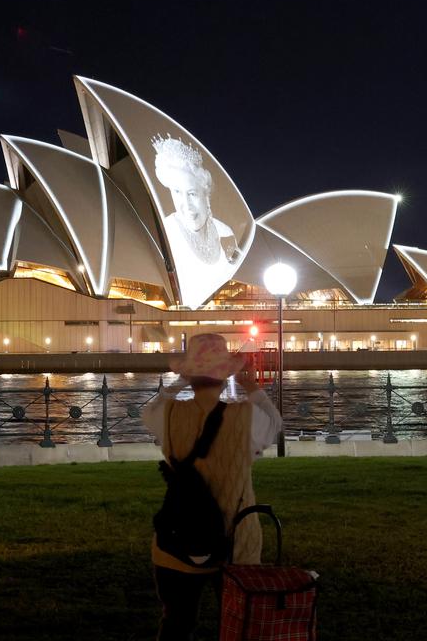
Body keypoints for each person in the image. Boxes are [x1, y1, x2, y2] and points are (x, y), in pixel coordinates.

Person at [144, 333, 282, 641]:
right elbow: (275, 424)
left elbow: (150, 410)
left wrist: (180, 381)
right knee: (238, 623)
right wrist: (251, 387)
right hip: (236, 542)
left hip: (177, 539)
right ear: (225, 376)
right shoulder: (246, 418)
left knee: (177, 623)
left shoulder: (167, 416)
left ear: (190, 376)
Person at [152, 134, 240, 307]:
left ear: (205, 194)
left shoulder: (225, 233)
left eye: (192, 193)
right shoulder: (166, 233)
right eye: (177, 192)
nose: (186, 205)